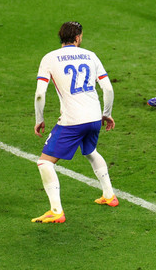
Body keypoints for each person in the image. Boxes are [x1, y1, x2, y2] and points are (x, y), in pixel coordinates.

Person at [32, 22, 118, 224]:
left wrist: (40, 119)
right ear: (78, 38)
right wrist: (106, 114)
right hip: (94, 117)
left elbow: (39, 94)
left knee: (44, 162)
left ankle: (56, 211)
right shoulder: (91, 55)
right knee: (90, 151)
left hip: (72, 121)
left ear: (61, 37)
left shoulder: (49, 58)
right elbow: (108, 89)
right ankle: (109, 195)